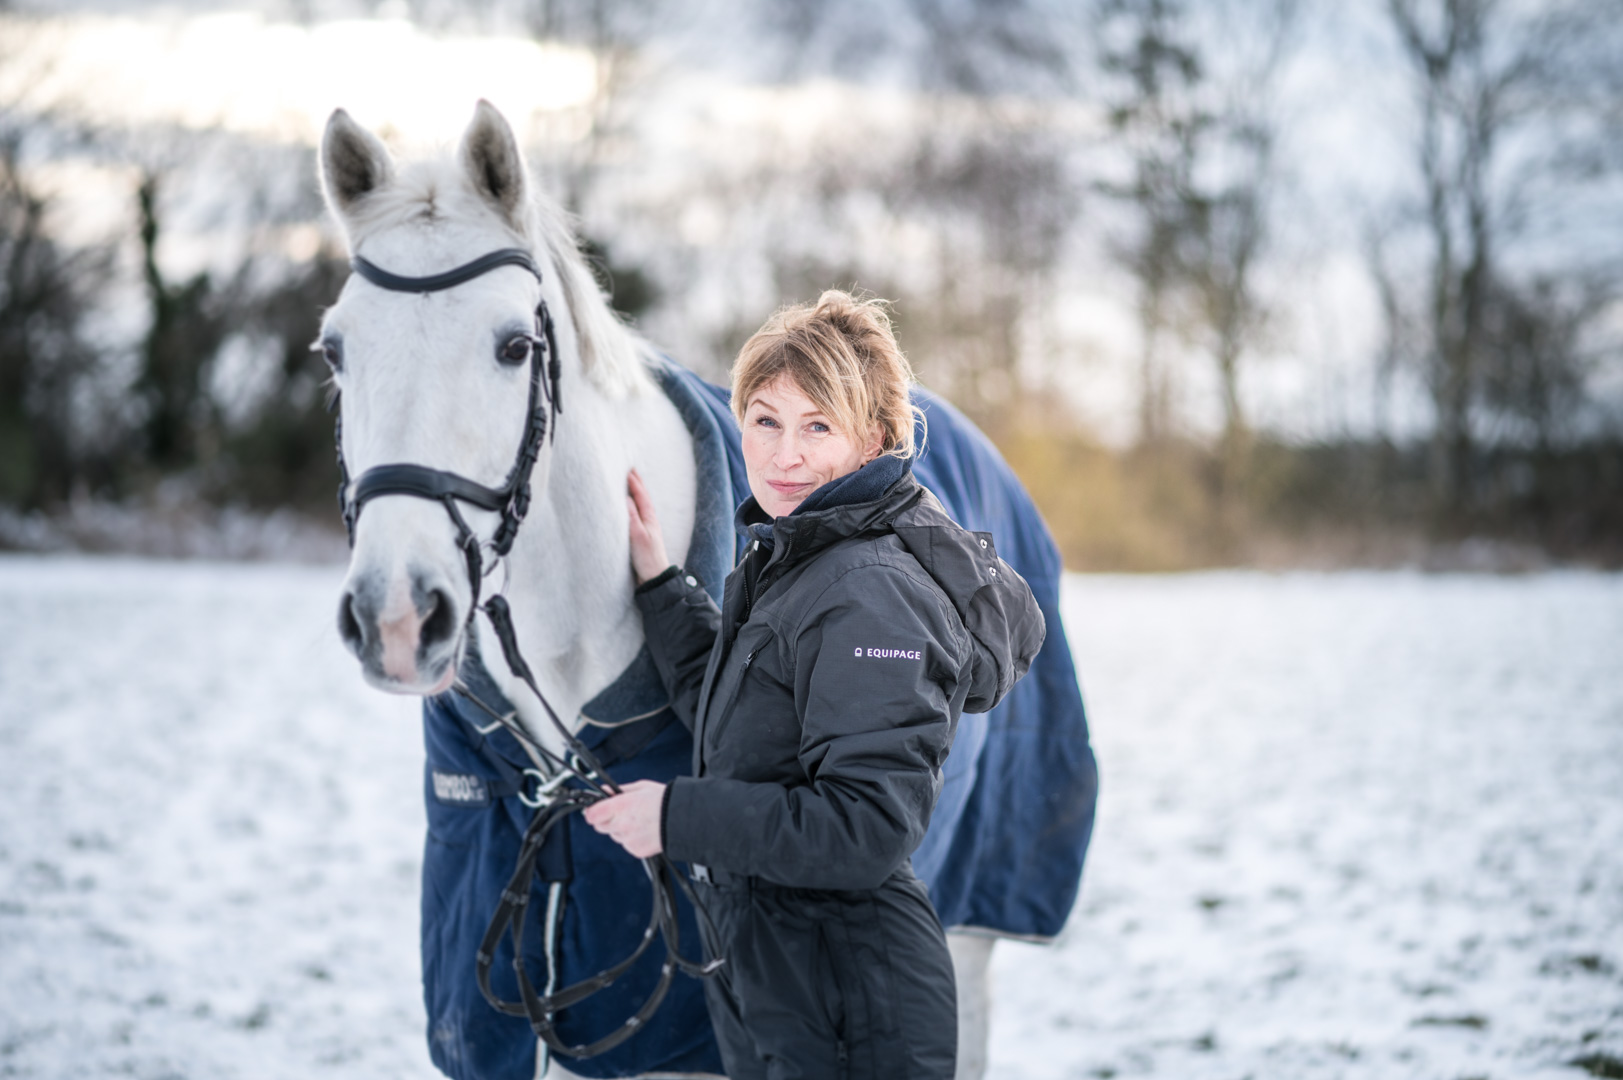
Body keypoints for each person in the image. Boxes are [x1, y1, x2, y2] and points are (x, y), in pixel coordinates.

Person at [583, 290, 1045, 1080]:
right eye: (765, 421)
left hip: (853, 1008)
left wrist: (673, 816)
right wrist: (661, 585)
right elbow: (742, 723)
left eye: (817, 427)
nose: (783, 456)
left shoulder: (869, 589)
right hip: (785, 980)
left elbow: (865, 827)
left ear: (873, 439)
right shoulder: (801, 557)